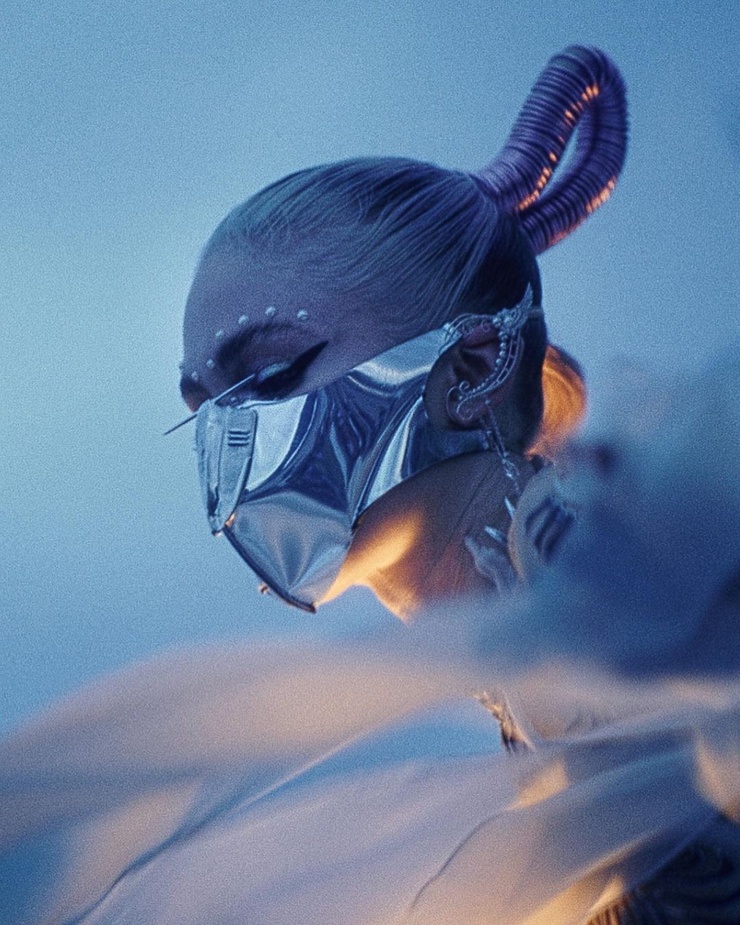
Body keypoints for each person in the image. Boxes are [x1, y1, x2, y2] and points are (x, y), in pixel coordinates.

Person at [3, 45, 736, 924]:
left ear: (474, 365)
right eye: (204, 410)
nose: (230, 443)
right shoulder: (531, 654)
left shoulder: (621, 570)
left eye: (269, 375)